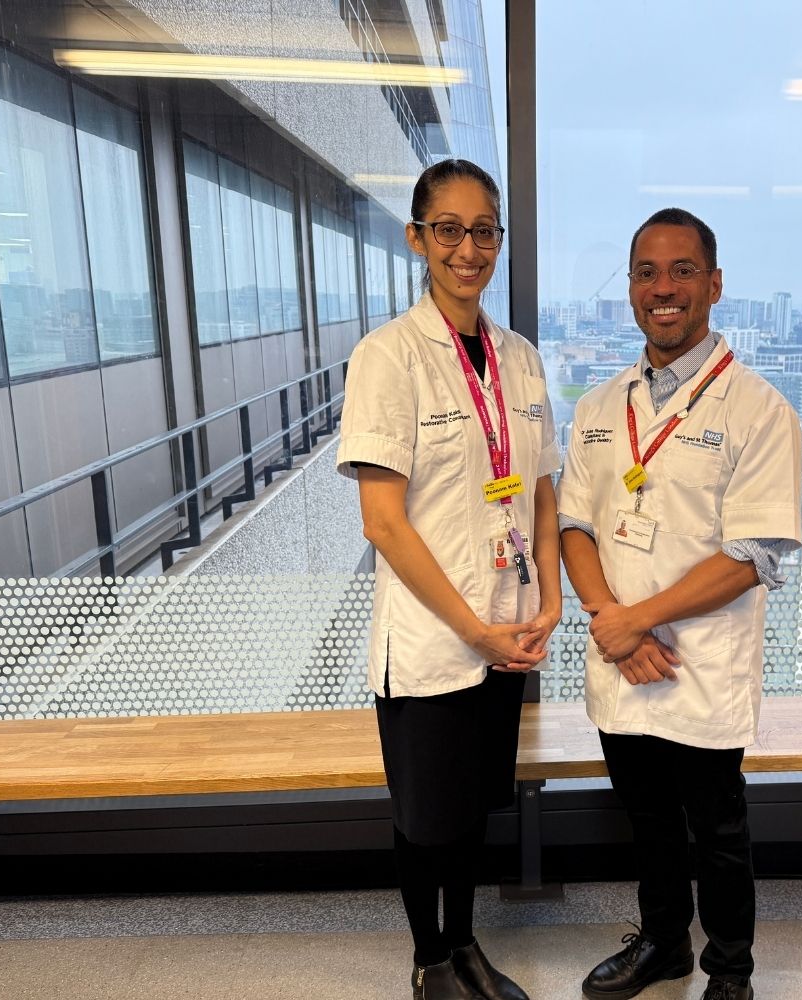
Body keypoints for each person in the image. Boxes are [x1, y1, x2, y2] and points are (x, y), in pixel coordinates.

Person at [558, 208, 802, 1000]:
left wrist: (636, 620)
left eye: (682, 271)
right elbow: (572, 524)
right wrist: (612, 622)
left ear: (715, 285)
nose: (663, 289)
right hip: (623, 658)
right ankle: (663, 943)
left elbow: (751, 556)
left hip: (700, 666)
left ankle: (730, 973)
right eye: (646, 273)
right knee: (649, 821)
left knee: (718, 833)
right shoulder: (600, 407)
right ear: (630, 289)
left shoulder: (760, 410)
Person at [337, 159, 561, 1000]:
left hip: (507, 625)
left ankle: (465, 945)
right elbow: (383, 523)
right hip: (436, 637)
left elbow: (540, 486)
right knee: (425, 815)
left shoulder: (521, 358)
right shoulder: (388, 357)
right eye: (450, 230)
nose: (470, 248)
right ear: (419, 240)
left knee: (470, 807)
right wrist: (474, 627)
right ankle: (430, 959)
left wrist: (551, 599)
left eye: (484, 231)